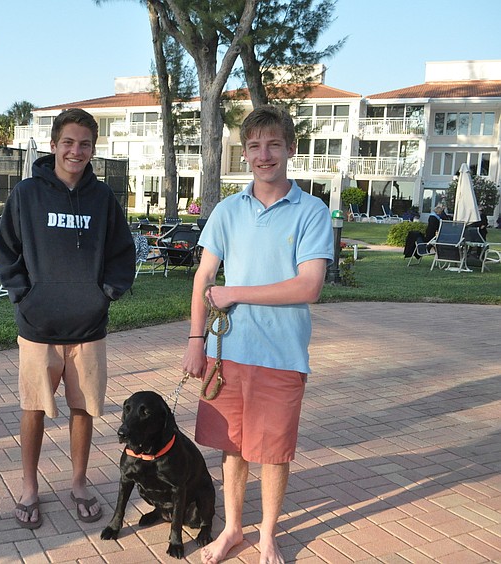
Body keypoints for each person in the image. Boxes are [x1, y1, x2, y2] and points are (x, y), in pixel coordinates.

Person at [182, 105, 333, 564]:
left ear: (291, 147)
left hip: (281, 353)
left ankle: (267, 534)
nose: (264, 155)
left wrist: (235, 294)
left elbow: (309, 286)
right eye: (254, 147)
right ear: (244, 154)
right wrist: (194, 341)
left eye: (273, 144)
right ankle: (232, 529)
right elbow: (204, 277)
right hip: (227, 353)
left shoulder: (311, 211)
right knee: (233, 447)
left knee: (273, 450)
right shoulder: (228, 211)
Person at [0, 108, 135, 529]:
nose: (76, 151)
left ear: (93, 148)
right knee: (34, 407)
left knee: (83, 408)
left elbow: (122, 253)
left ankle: (78, 482)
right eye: (69, 142)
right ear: (54, 144)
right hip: (38, 328)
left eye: (85, 144)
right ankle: (29, 486)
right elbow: (6, 252)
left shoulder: (103, 198)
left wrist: (104, 294)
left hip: (89, 328)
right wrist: (26, 297)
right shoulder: (26, 194)